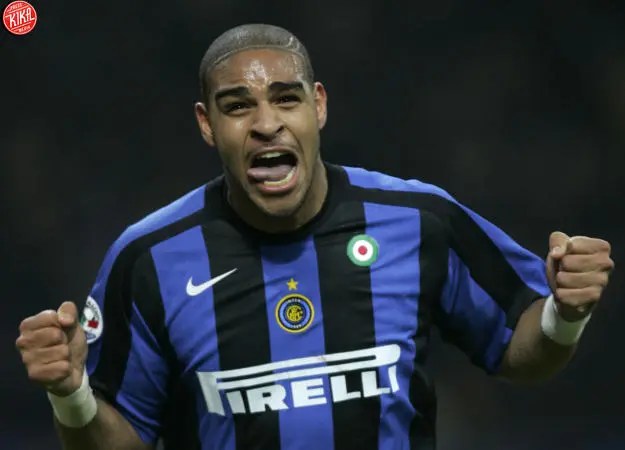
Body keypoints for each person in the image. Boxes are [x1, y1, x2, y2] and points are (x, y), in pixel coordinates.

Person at [16, 23, 614, 450]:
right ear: (207, 124)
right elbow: (119, 439)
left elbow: (519, 352)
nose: (266, 123)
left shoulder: (419, 220)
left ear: (318, 106)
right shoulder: (148, 258)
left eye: (286, 98)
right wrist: (72, 394)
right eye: (237, 106)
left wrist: (564, 313)